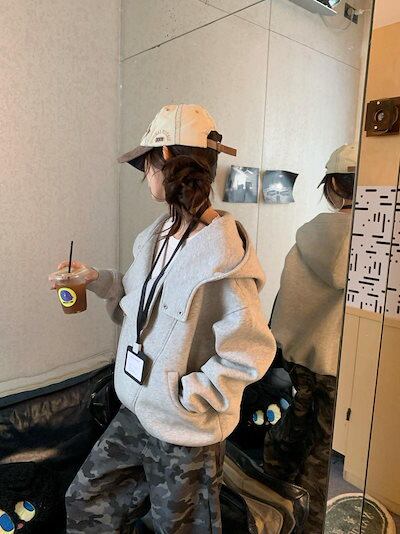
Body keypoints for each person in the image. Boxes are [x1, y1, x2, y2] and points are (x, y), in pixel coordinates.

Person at [53, 104, 276, 534]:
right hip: (136, 410)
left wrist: (186, 396)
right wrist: (95, 279)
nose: (145, 174)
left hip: (184, 432)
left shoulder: (222, 256)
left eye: (147, 163)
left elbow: (250, 351)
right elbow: (138, 299)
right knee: (86, 498)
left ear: (166, 158)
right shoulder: (156, 236)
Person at [263, 143, 357, 534]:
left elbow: (286, 305)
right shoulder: (376, 243)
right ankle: (309, 525)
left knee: (285, 439)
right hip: (341, 370)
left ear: (331, 185)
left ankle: (267, 512)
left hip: (297, 363)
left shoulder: (305, 238)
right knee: (321, 456)